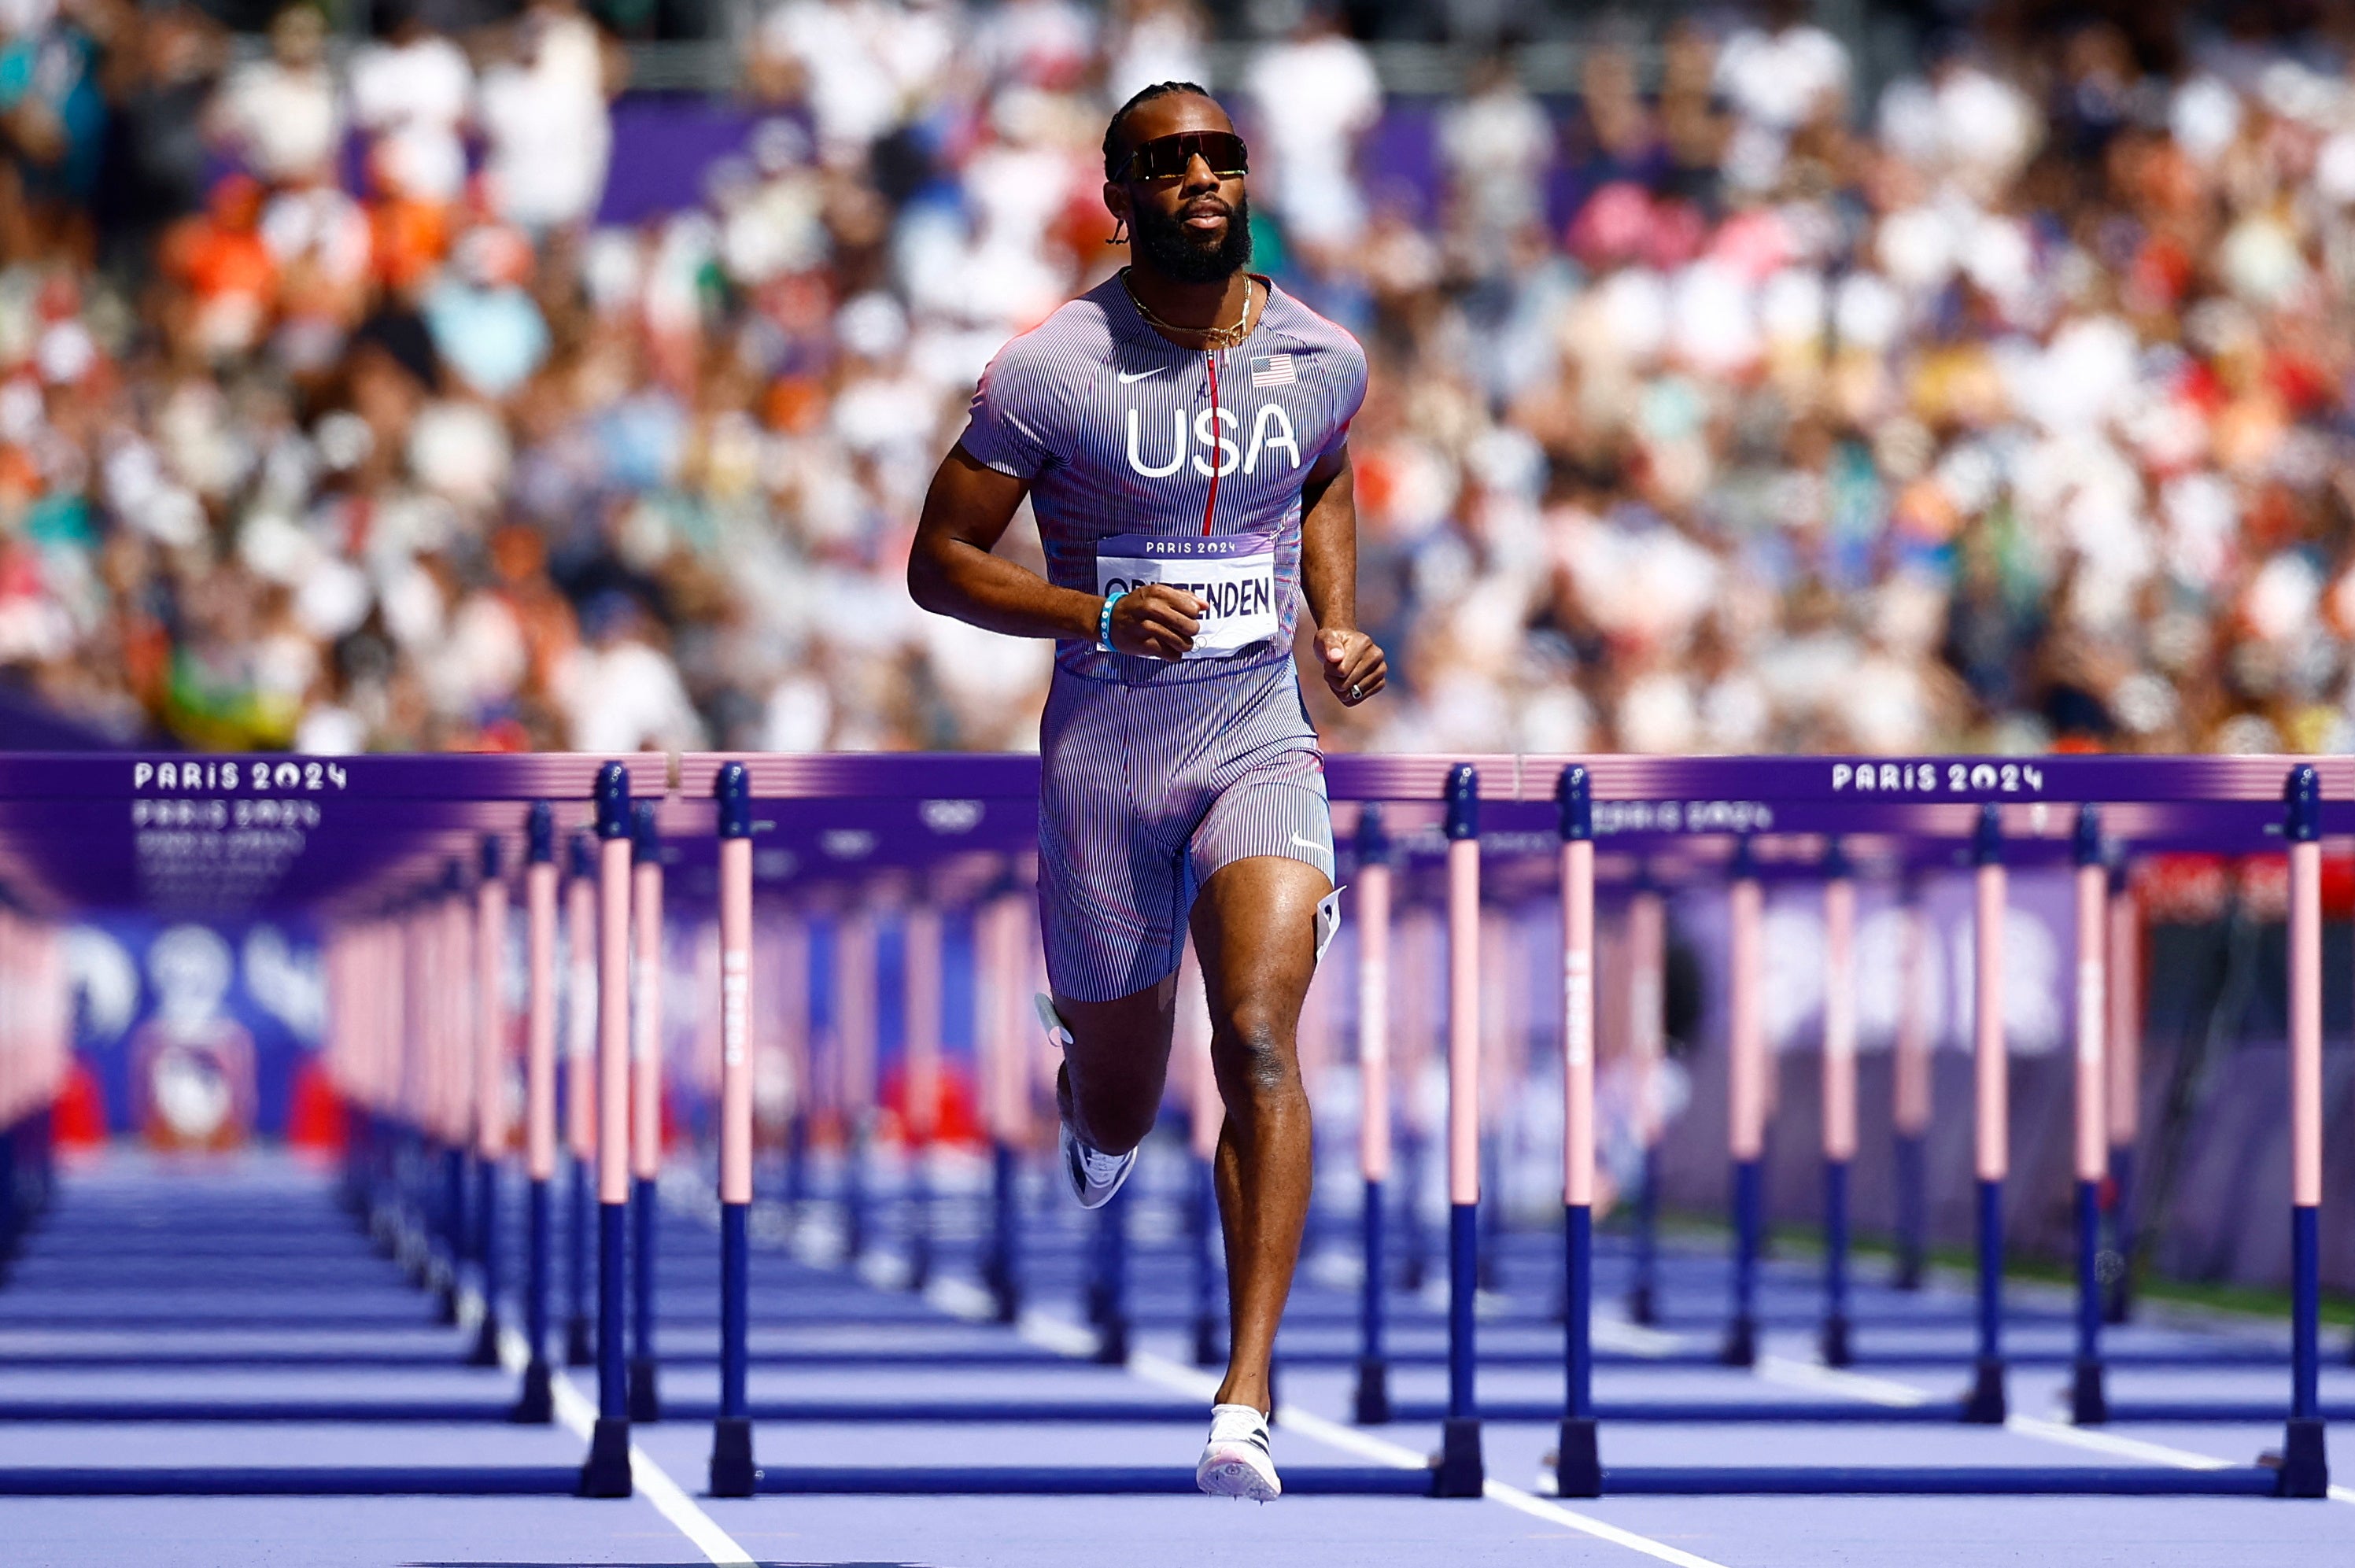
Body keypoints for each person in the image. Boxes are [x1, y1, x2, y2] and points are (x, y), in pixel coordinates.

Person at [906, 80, 1383, 1501]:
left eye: (1219, 156)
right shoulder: (1053, 367)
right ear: (1117, 195)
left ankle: (1241, 1401)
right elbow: (940, 561)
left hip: (1256, 738)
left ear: (1248, 182)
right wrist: (1090, 616)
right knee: (1125, 1103)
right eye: (1163, 162)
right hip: (1106, 761)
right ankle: (1084, 1083)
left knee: (1257, 1037)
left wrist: (1333, 620)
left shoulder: (1321, 352)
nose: (1198, 179)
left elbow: (1322, 474)